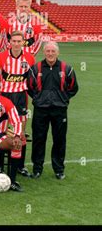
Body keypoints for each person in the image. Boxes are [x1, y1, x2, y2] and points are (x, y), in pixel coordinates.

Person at [27, 41, 78, 180]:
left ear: (57, 52)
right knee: (39, 139)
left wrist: (63, 99)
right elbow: (30, 87)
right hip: (40, 109)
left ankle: (59, 170)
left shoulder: (66, 69)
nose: (50, 53)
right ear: (44, 52)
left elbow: (73, 87)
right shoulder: (35, 68)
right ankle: (37, 169)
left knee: (59, 140)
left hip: (59, 110)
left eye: (53, 51)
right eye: (48, 51)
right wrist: (39, 99)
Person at [0, 31, 35, 177]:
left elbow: (30, 80)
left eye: (20, 41)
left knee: (21, 132)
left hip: (20, 96)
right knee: (1, 130)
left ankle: (20, 165)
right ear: (10, 42)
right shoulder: (2, 57)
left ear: (23, 42)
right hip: (5, 96)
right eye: (14, 41)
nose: (17, 43)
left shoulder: (29, 58)